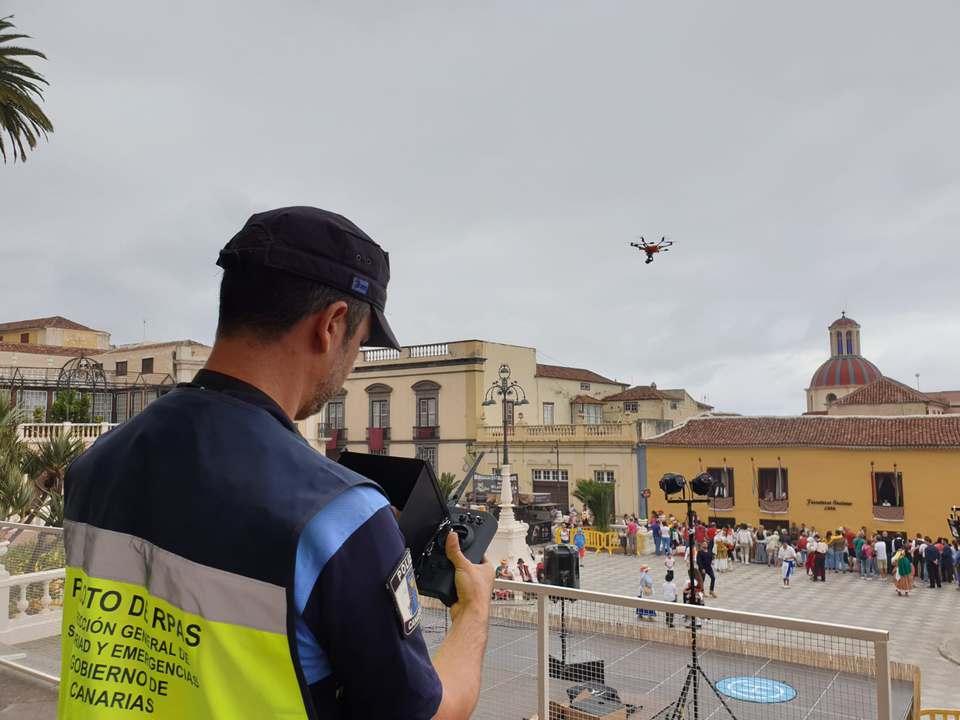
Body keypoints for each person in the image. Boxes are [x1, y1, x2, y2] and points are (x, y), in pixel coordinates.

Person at [58, 207, 494, 720]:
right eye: (359, 344)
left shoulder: (95, 465)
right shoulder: (340, 518)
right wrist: (474, 611)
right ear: (331, 325)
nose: (352, 365)